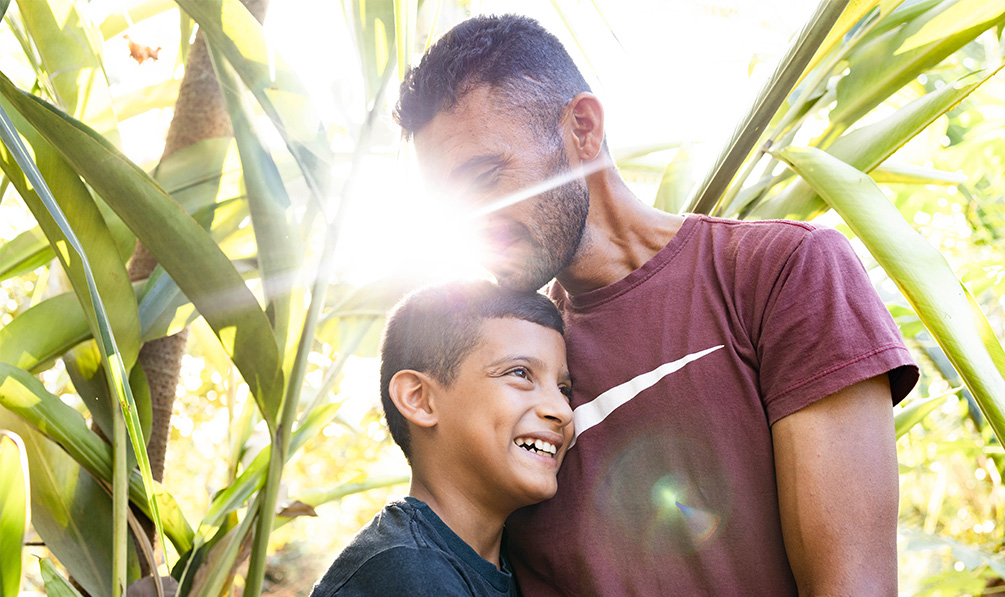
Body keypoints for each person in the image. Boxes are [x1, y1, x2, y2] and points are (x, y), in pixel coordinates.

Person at [394, 14, 921, 596]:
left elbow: (853, 586)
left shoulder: (780, 272)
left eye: (487, 177)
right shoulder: (509, 371)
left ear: (583, 129)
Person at [311, 280, 574, 596]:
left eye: (564, 390)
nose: (562, 411)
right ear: (419, 398)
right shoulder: (407, 572)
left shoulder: (506, 565)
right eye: (519, 373)